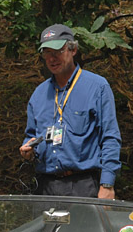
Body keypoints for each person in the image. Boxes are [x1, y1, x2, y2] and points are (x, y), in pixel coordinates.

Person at [20, 24, 122, 199]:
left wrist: (107, 184)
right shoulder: (39, 94)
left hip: (83, 184)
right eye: (47, 53)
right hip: (46, 186)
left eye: (58, 51)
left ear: (73, 49)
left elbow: (110, 137)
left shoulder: (97, 87)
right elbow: (31, 134)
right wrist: (29, 150)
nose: (52, 58)